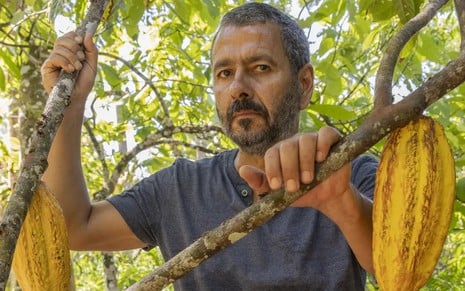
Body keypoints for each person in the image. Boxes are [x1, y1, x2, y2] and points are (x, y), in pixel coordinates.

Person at [41, 2, 378, 290]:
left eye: (260, 68)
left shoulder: (351, 172)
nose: (239, 87)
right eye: (224, 73)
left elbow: (400, 261)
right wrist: (69, 104)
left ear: (304, 85)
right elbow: (72, 227)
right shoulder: (178, 190)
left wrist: (341, 203)